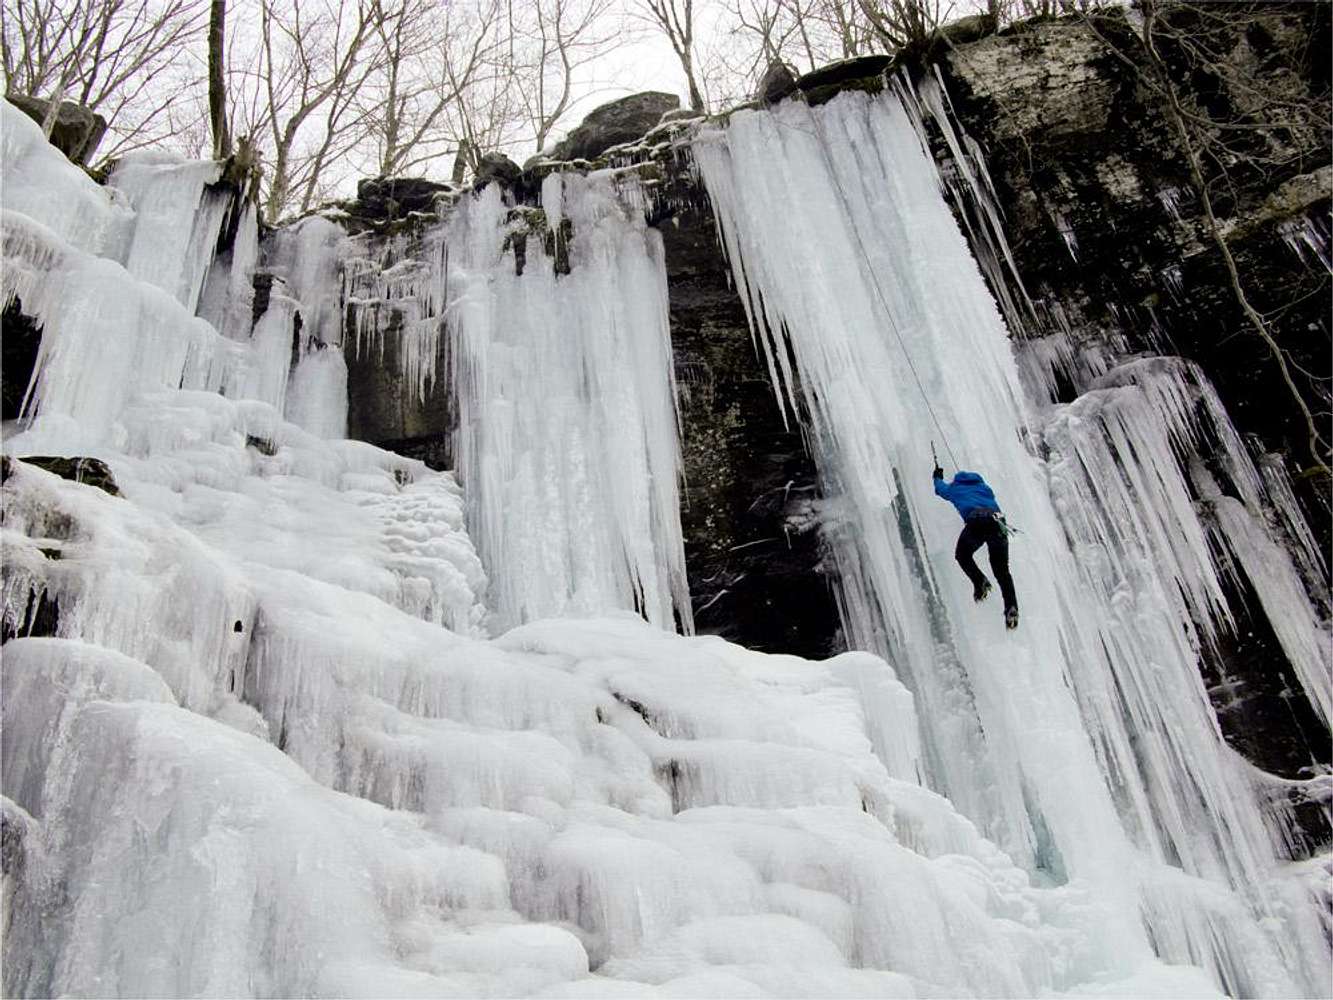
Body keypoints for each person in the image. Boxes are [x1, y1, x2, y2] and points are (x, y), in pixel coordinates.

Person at [933, 465, 1019, 629]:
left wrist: (937, 476)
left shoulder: (955, 488)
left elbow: (940, 489)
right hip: (998, 522)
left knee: (962, 555)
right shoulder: (984, 488)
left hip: (978, 521)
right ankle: (1011, 607)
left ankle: (980, 582)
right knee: (1002, 571)